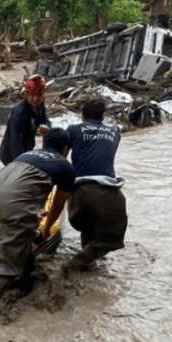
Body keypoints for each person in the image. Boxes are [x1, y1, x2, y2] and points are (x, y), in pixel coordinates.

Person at [0, 128, 76, 321]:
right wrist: (44, 230)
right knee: (4, 267)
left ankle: (25, 281)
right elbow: (58, 204)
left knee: (20, 238)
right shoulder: (65, 166)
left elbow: (20, 185)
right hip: (11, 204)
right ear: (66, 150)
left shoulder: (27, 155)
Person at [41, 99, 127, 275]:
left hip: (79, 194)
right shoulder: (114, 134)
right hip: (109, 193)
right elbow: (97, 150)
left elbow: (60, 144)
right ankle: (75, 265)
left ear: (82, 116)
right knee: (110, 238)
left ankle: (81, 267)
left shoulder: (73, 130)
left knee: (88, 227)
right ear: (103, 116)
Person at [0, 74, 51, 166]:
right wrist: (20, 165)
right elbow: (15, 143)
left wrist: (46, 126)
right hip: (9, 154)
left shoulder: (40, 107)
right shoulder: (19, 112)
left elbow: (46, 121)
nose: (35, 99)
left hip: (27, 147)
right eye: (32, 95)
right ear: (26, 94)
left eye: (39, 95)